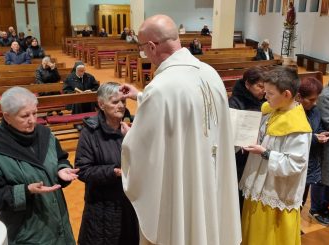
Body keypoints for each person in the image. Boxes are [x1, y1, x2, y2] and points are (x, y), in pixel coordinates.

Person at [120, 14, 241, 245]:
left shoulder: (161, 87)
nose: (144, 54)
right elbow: (188, 107)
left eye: (143, 48)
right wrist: (141, 96)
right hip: (210, 173)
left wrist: (131, 136)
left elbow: (142, 151)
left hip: (183, 183)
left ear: (153, 46)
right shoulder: (209, 73)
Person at [0, 86, 78, 245]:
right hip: (26, 234)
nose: (33, 120)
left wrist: (62, 169)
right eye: (24, 116)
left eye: (35, 113)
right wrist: (25, 191)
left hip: (59, 226)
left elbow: (61, 158)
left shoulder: (45, 134)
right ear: (7, 117)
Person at [239, 66, 312, 245]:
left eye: (270, 93)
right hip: (256, 187)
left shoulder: (298, 128)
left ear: (286, 94)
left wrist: (265, 153)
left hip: (274, 195)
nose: (265, 96)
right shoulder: (273, 110)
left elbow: (295, 164)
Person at [75, 82, 138, 245]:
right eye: (115, 102)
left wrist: (133, 139)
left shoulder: (132, 129)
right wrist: (114, 172)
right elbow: (82, 170)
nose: (121, 106)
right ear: (101, 104)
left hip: (128, 205)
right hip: (102, 208)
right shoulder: (90, 132)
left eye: (123, 102)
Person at [228, 66, 266, 214]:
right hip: (240, 156)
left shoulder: (264, 101)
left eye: (265, 87)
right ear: (247, 84)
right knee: (238, 192)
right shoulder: (235, 103)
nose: (263, 91)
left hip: (256, 153)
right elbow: (231, 134)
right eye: (259, 86)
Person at [296, 77, 329, 226]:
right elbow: (293, 137)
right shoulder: (292, 112)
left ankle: (294, 227)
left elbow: (317, 128)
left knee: (302, 197)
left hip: (311, 160)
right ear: (299, 97)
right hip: (297, 162)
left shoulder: (314, 110)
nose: (315, 103)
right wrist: (315, 138)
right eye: (311, 99)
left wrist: (321, 133)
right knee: (294, 198)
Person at [316, 68, 329, 224]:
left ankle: (325, 205)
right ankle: (316, 209)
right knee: (323, 178)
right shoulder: (327, 95)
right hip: (328, 143)